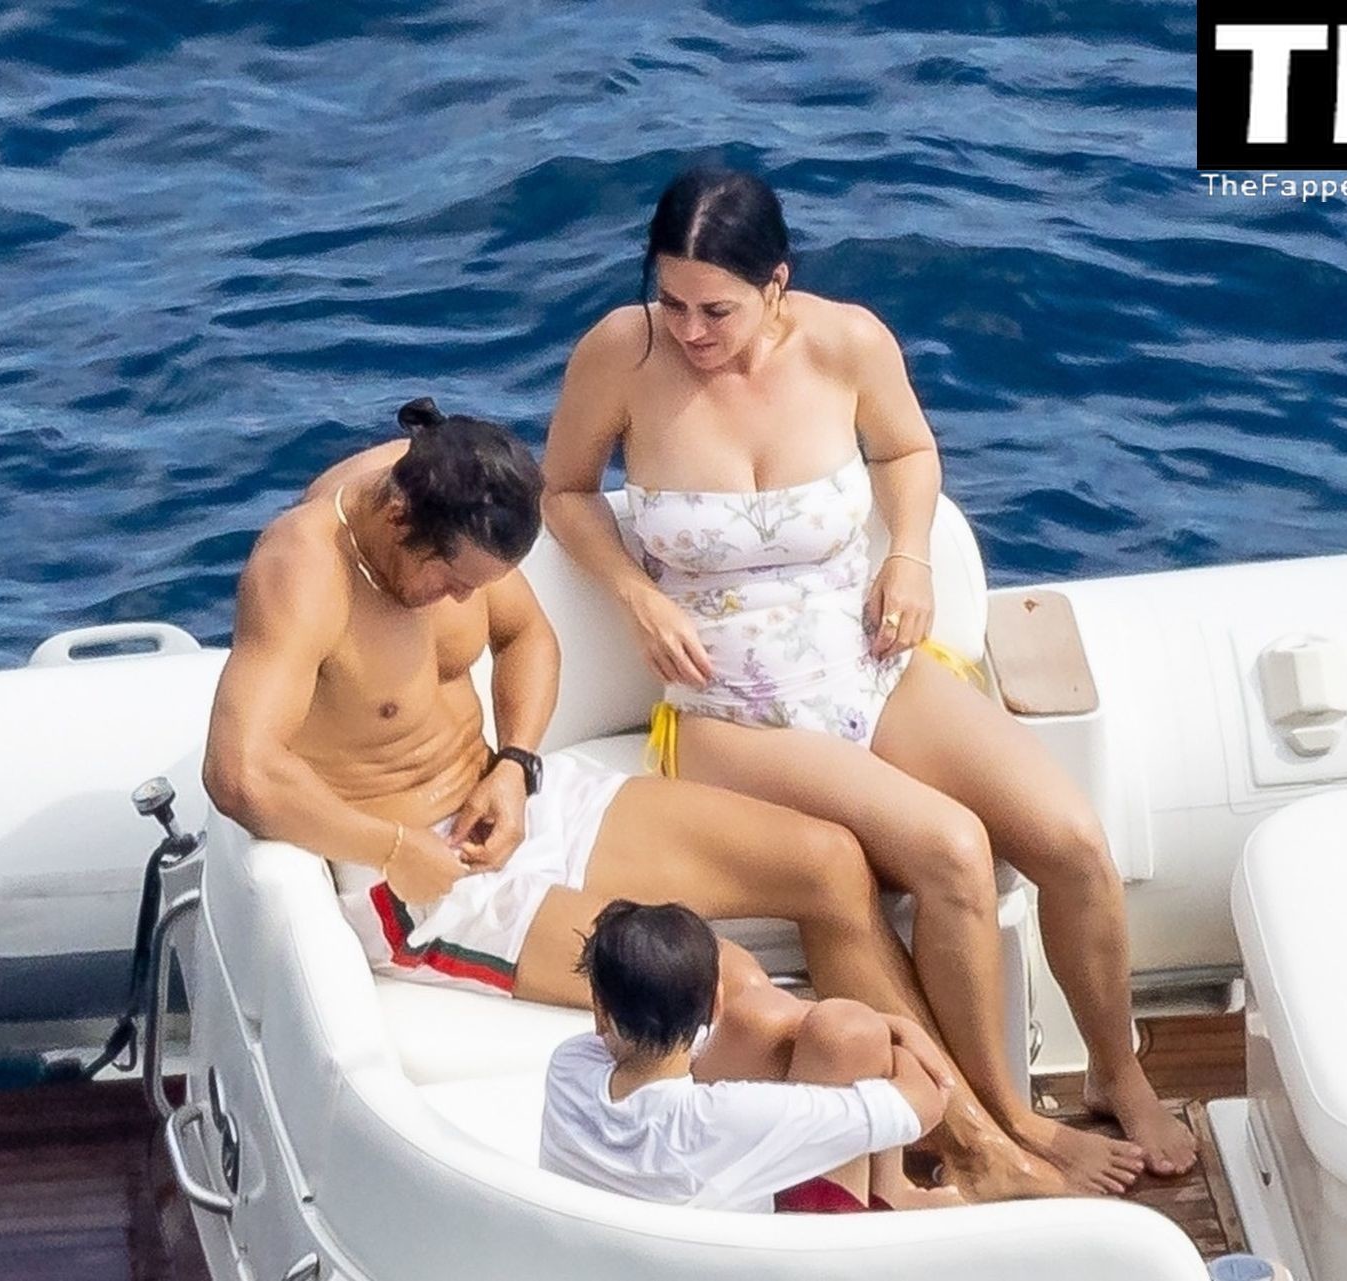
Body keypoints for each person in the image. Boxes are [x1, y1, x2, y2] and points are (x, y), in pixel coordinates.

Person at [200, 395, 1066, 1202]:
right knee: (723, 987)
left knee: (830, 862)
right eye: (452, 582)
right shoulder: (303, 571)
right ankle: (965, 1156)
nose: (461, 602)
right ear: (397, 518)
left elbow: (527, 635)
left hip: (507, 798)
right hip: (417, 874)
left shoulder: (454, 498)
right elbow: (238, 772)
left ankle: (957, 1142)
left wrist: (517, 764)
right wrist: (396, 852)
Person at [541, 166, 1197, 1189]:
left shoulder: (847, 341)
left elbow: (907, 451)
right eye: (671, 302)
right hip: (730, 707)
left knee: (1072, 840)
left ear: (777, 285)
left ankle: (1121, 1073)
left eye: (716, 309)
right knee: (952, 850)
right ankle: (1005, 1125)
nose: (690, 330)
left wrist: (911, 556)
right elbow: (566, 491)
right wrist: (636, 595)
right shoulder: (620, 355)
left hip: (870, 662)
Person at [541, 900, 963, 1213]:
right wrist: (900, 1032)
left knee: (789, 1020)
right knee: (848, 1032)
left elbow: (665, 1047)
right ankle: (882, 1198)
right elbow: (924, 1104)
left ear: (601, 1011)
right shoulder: (725, 1118)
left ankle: (889, 1190)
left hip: (619, 1252)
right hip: (768, 1257)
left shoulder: (569, 1069)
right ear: (716, 1005)